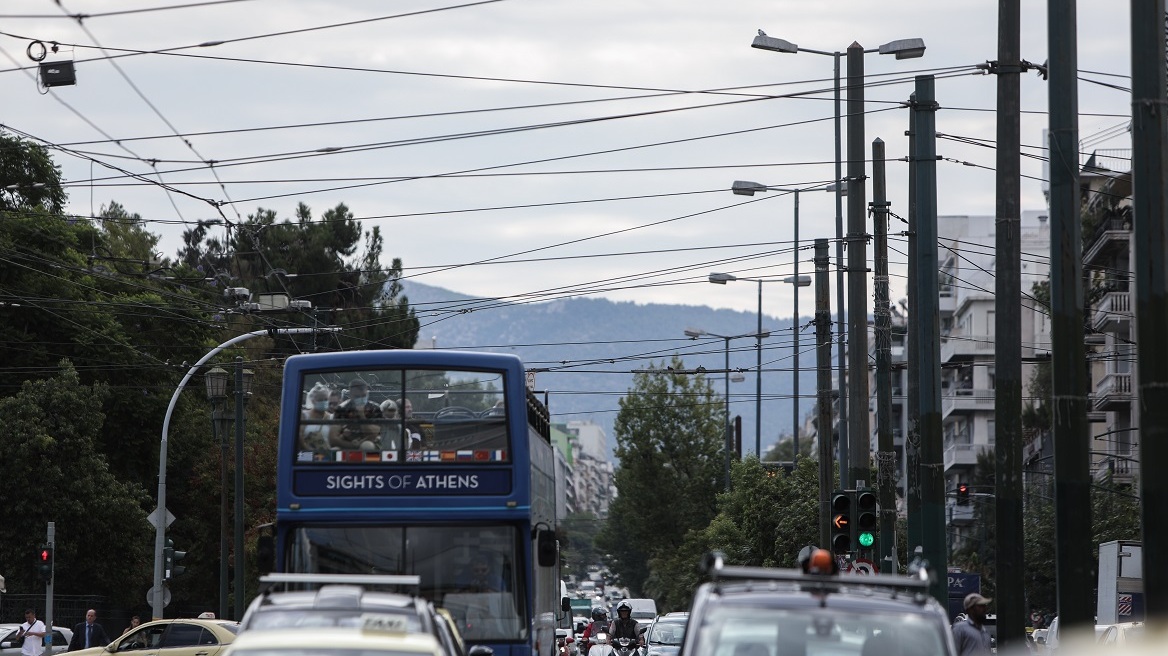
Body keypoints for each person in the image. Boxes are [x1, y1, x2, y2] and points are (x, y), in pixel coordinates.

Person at [331, 378, 383, 450]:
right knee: (334, 450)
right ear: (350, 395)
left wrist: (362, 416)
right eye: (357, 396)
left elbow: (373, 433)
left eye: (364, 395)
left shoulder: (375, 408)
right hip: (347, 443)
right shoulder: (342, 409)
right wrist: (351, 445)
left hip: (370, 443)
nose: (361, 399)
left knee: (367, 446)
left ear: (367, 393)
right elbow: (333, 438)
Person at [299, 383, 335, 452]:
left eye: (326, 399)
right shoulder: (304, 415)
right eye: (320, 400)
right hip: (306, 454)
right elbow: (299, 435)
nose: (324, 402)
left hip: (325, 454)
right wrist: (309, 450)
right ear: (313, 400)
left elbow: (333, 440)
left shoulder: (331, 417)